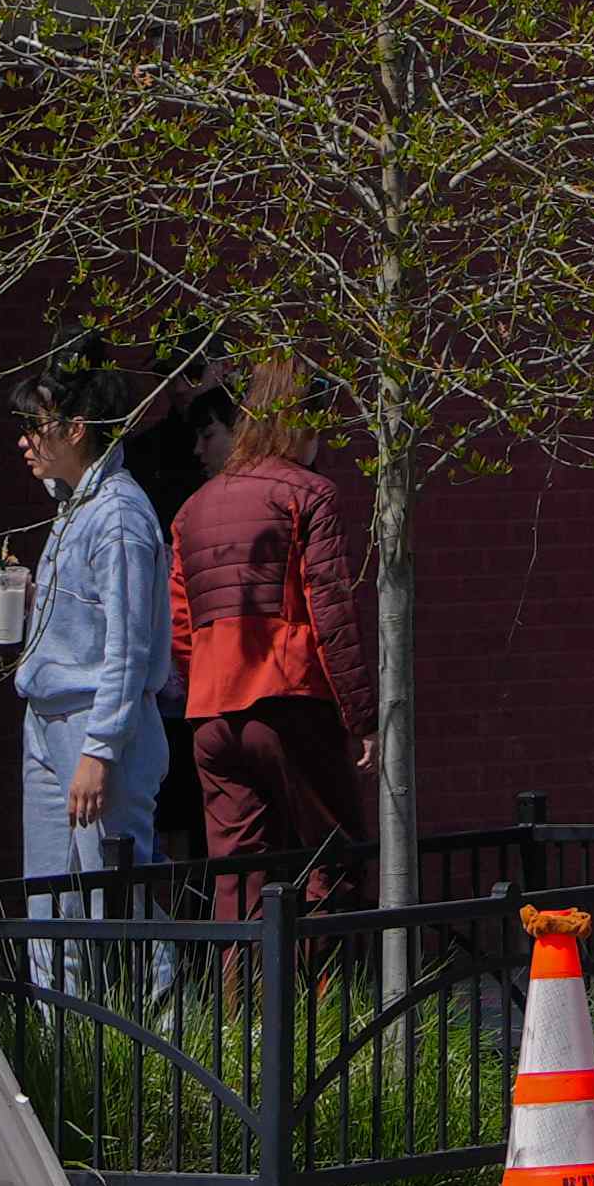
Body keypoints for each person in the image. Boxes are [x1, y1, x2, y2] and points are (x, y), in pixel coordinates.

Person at [169, 384, 365, 896]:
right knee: (335, 858)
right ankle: (330, 979)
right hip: (290, 698)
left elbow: (181, 624)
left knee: (239, 874)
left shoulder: (192, 510)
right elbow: (331, 612)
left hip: (212, 712)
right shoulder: (310, 492)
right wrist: (362, 716)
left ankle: (244, 980)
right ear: (296, 424)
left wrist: (207, 682)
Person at [4, 376, 176, 899]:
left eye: (34, 427)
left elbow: (128, 648)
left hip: (95, 722)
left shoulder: (117, 514)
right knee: (52, 906)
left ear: (76, 430)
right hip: (49, 714)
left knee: (113, 903)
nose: (23, 441)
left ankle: (150, 986)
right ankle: (57, 988)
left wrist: (99, 751)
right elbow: (97, 621)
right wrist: (36, 602)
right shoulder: (77, 505)